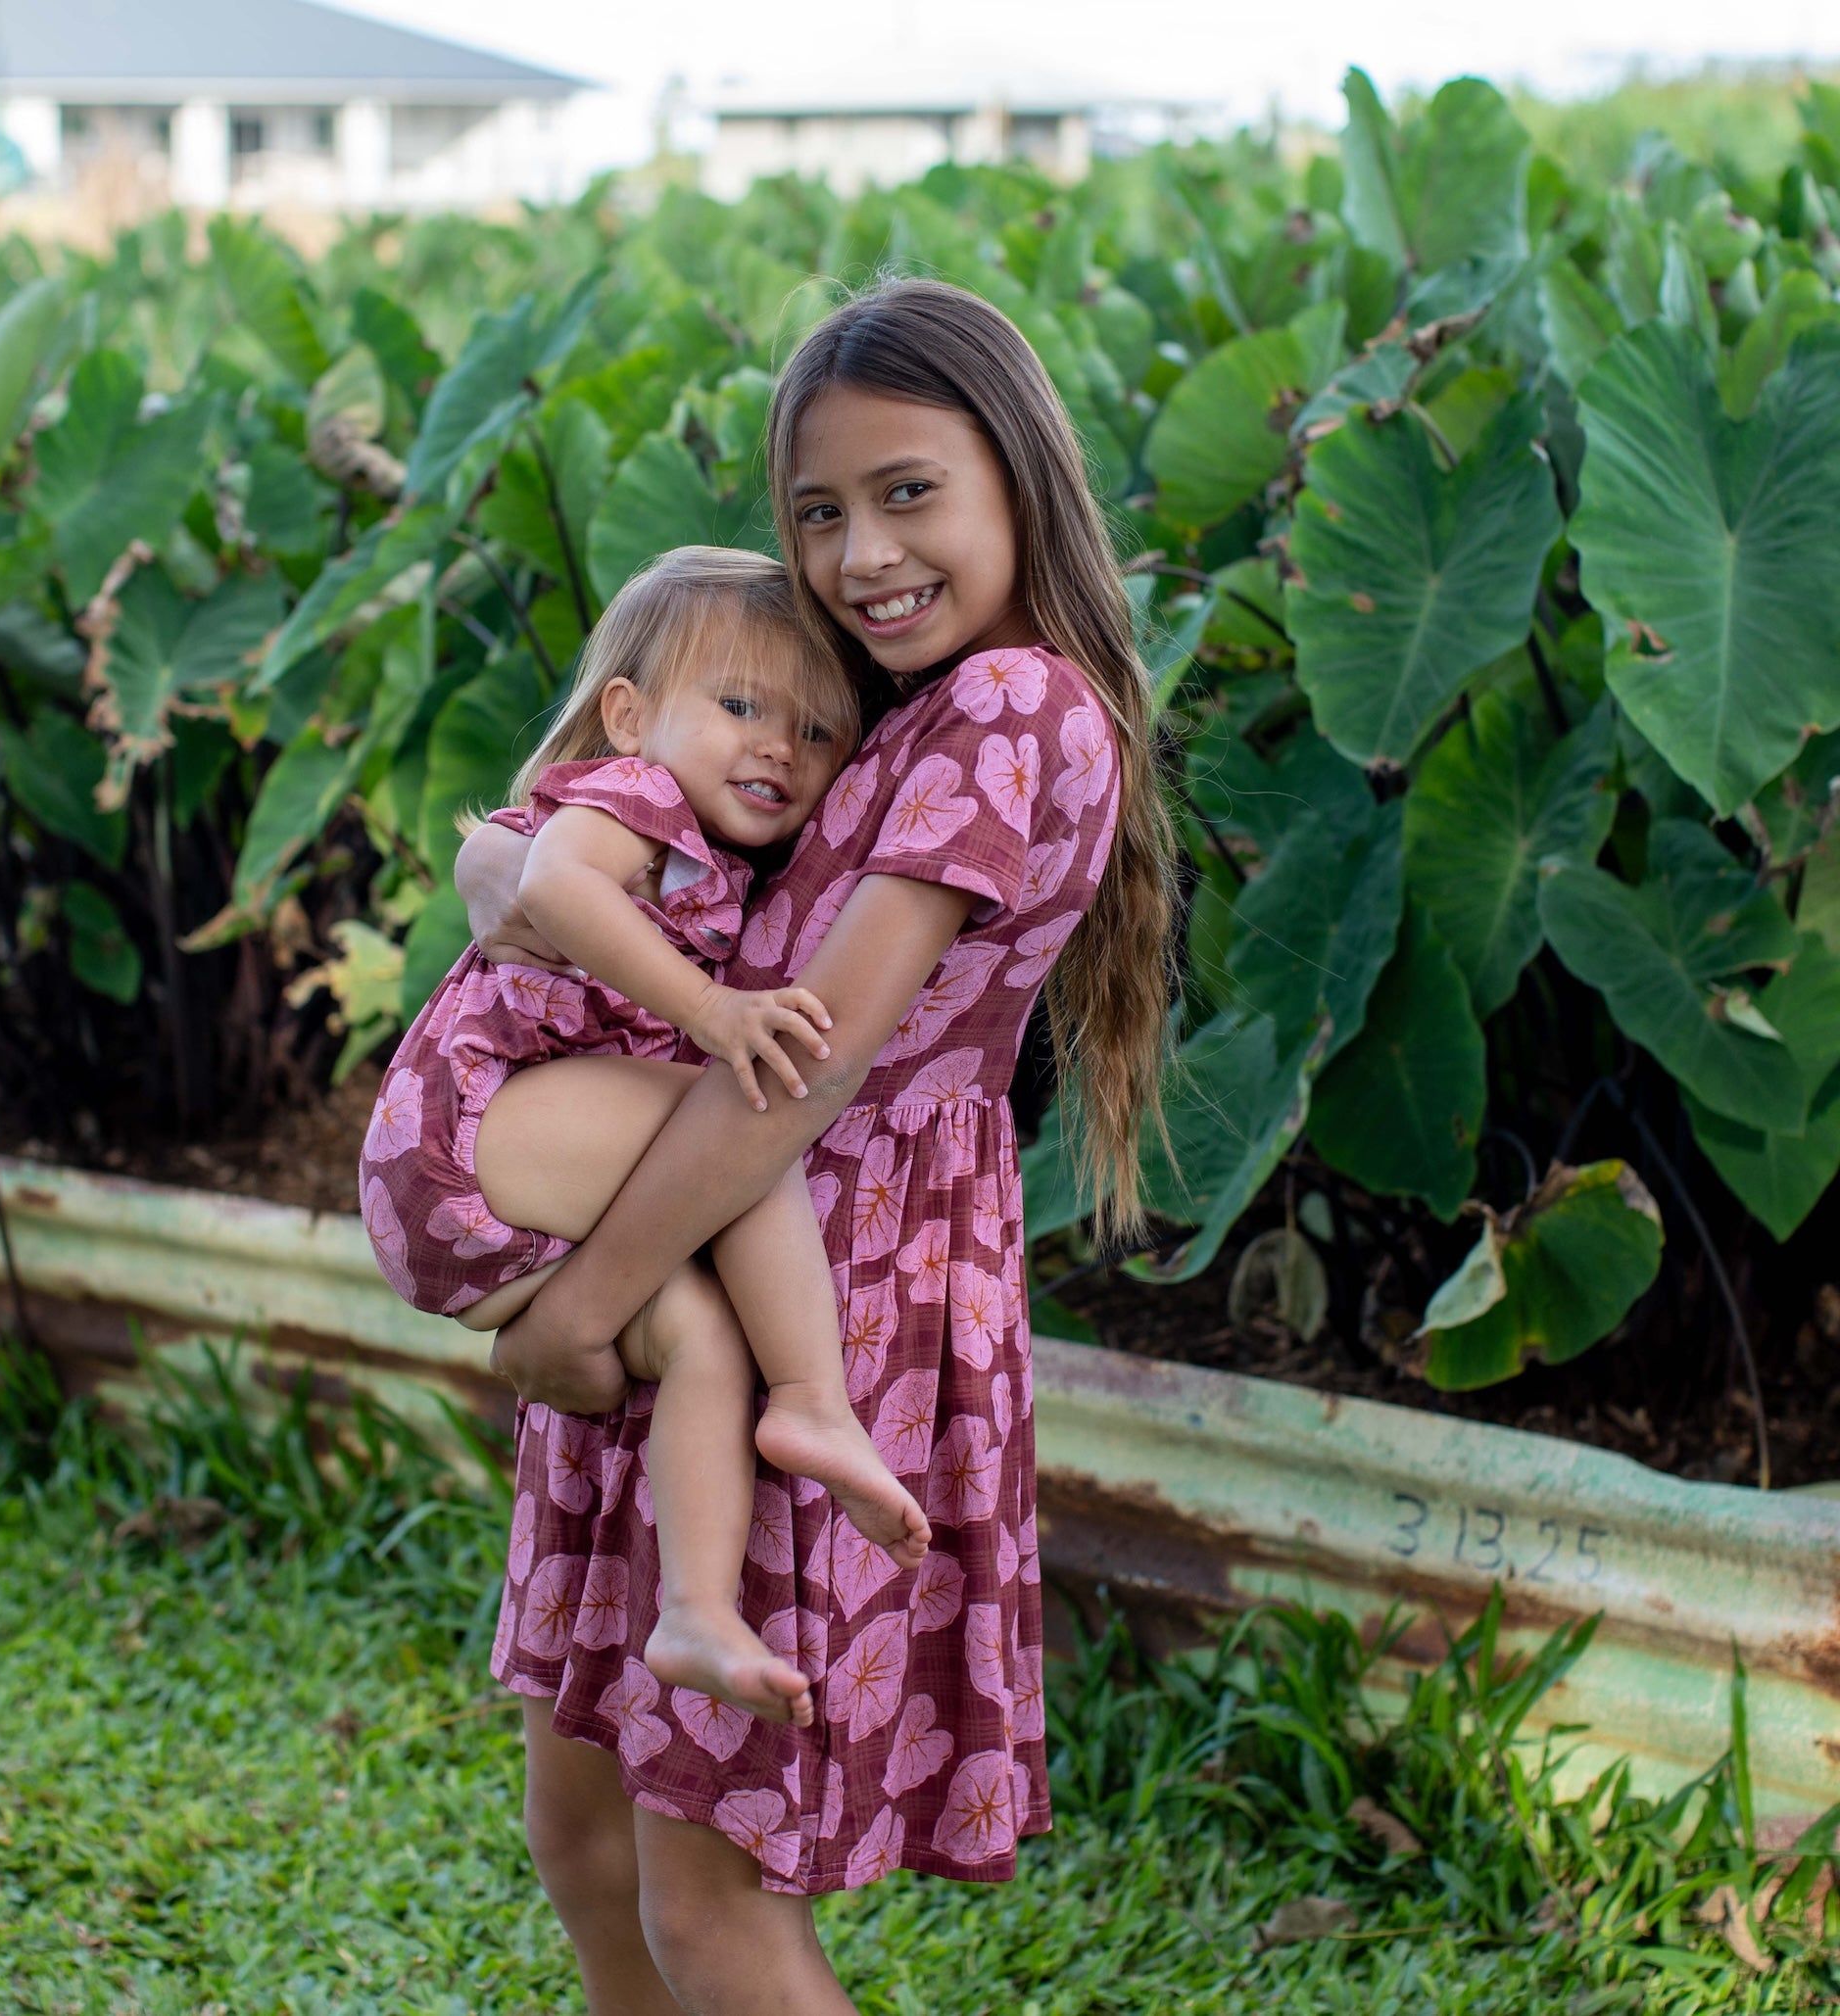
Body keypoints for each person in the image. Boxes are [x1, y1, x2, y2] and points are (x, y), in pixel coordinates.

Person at [457, 277, 1179, 2015]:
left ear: (1016, 473)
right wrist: (503, 874)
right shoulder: (866, 699)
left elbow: (810, 1061)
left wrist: (593, 1299)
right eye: (818, 512)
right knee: (587, 1822)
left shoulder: (1013, 711)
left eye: (907, 492)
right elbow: (568, 829)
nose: (862, 552)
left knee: (705, 1888)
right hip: (709, 1234)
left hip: (812, 1284)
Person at [362, 546, 931, 1728]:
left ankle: (696, 1610)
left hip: (501, 1216)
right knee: (742, 1130)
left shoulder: (719, 856)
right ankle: (814, 1398)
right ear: (628, 716)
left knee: (700, 1346)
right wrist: (712, 1011)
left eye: (817, 732)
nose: (779, 745)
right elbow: (554, 891)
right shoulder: (634, 800)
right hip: (473, 1136)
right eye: (739, 707)